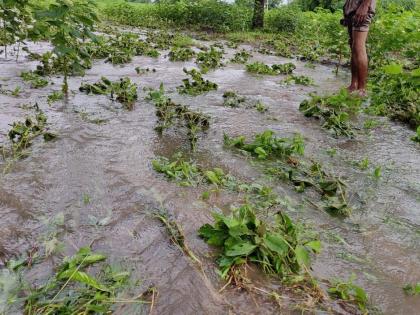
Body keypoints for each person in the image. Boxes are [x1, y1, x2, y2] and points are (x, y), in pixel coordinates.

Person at [341, 0, 376, 96]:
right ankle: (354, 85)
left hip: (361, 6)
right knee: (353, 46)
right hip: (352, 8)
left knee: (358, 46)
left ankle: (362, 89)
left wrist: (365, 5)